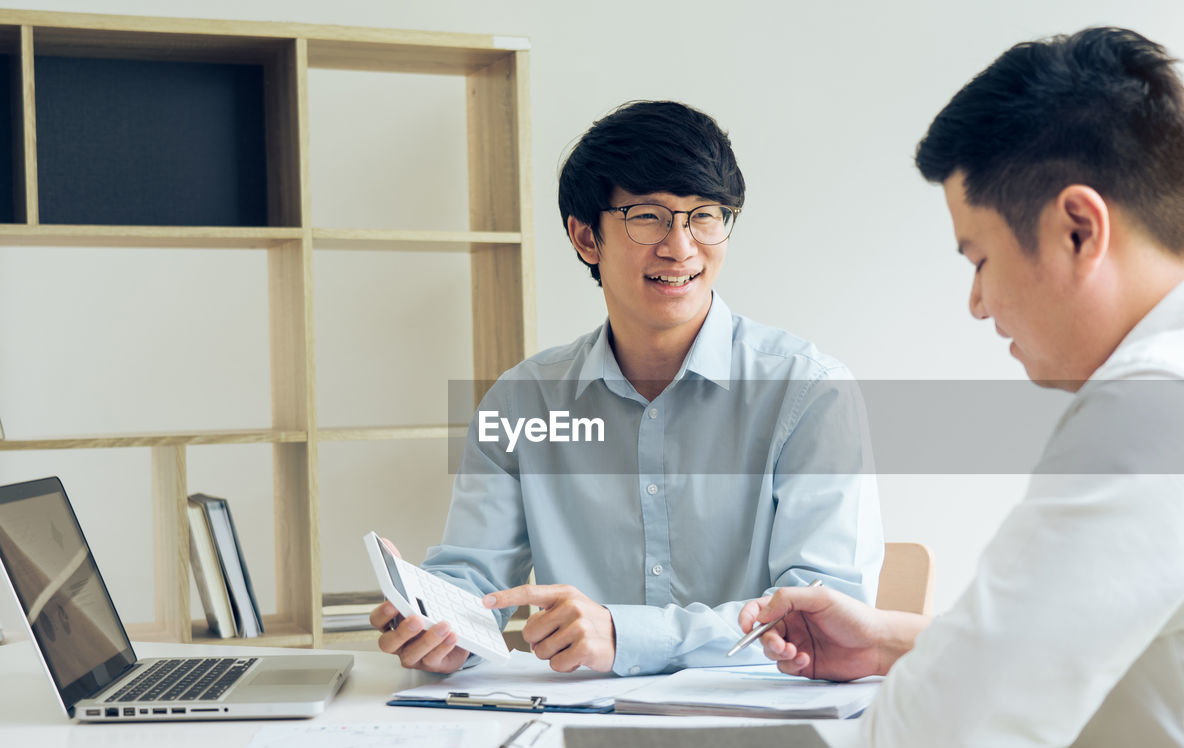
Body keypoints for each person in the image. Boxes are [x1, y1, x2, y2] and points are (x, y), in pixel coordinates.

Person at [740, 27, 1184, 748]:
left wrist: (932, 685)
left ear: (1077, 229)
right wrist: (896, 640)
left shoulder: (1158, 413)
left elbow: (940, 743)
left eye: (979, 257)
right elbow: (1144, 633)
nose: (977, 304)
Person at [373, 100, 883, 677]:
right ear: (587, 238)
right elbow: (477, 585)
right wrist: (437, 623)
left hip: (756, 718)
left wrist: (627, 636)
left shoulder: (809, 392)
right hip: (573, 720)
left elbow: (820, 617)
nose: (682, 247)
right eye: (649, 217)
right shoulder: (523, 401)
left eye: (705, 216)